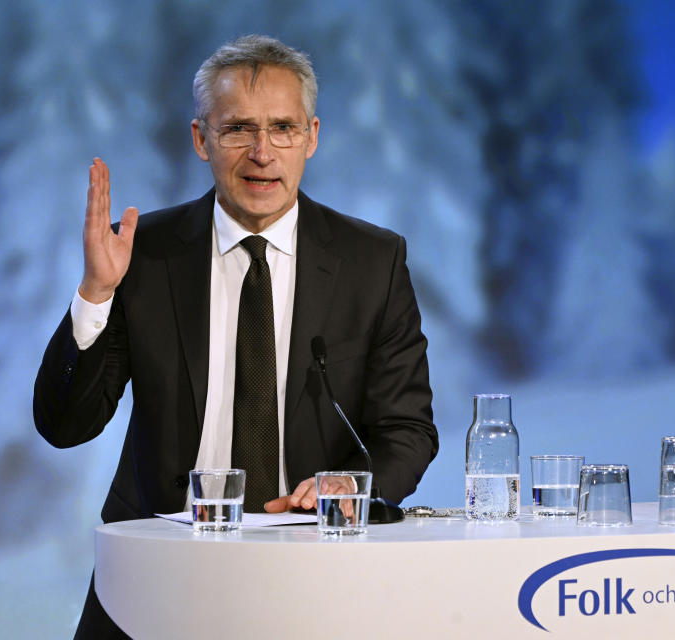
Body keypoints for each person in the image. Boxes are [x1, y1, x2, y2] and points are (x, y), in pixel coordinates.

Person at [33, 34, 438, 638]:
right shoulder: (143, 255)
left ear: (312, 137)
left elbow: (406, 430)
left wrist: (349, 484)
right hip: (155, 571)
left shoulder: (371, 262)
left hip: (314, 572)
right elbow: (65, 426)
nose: (262, 152)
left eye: (282, 128)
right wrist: (96, 292)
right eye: (237, 129)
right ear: (201, 139)